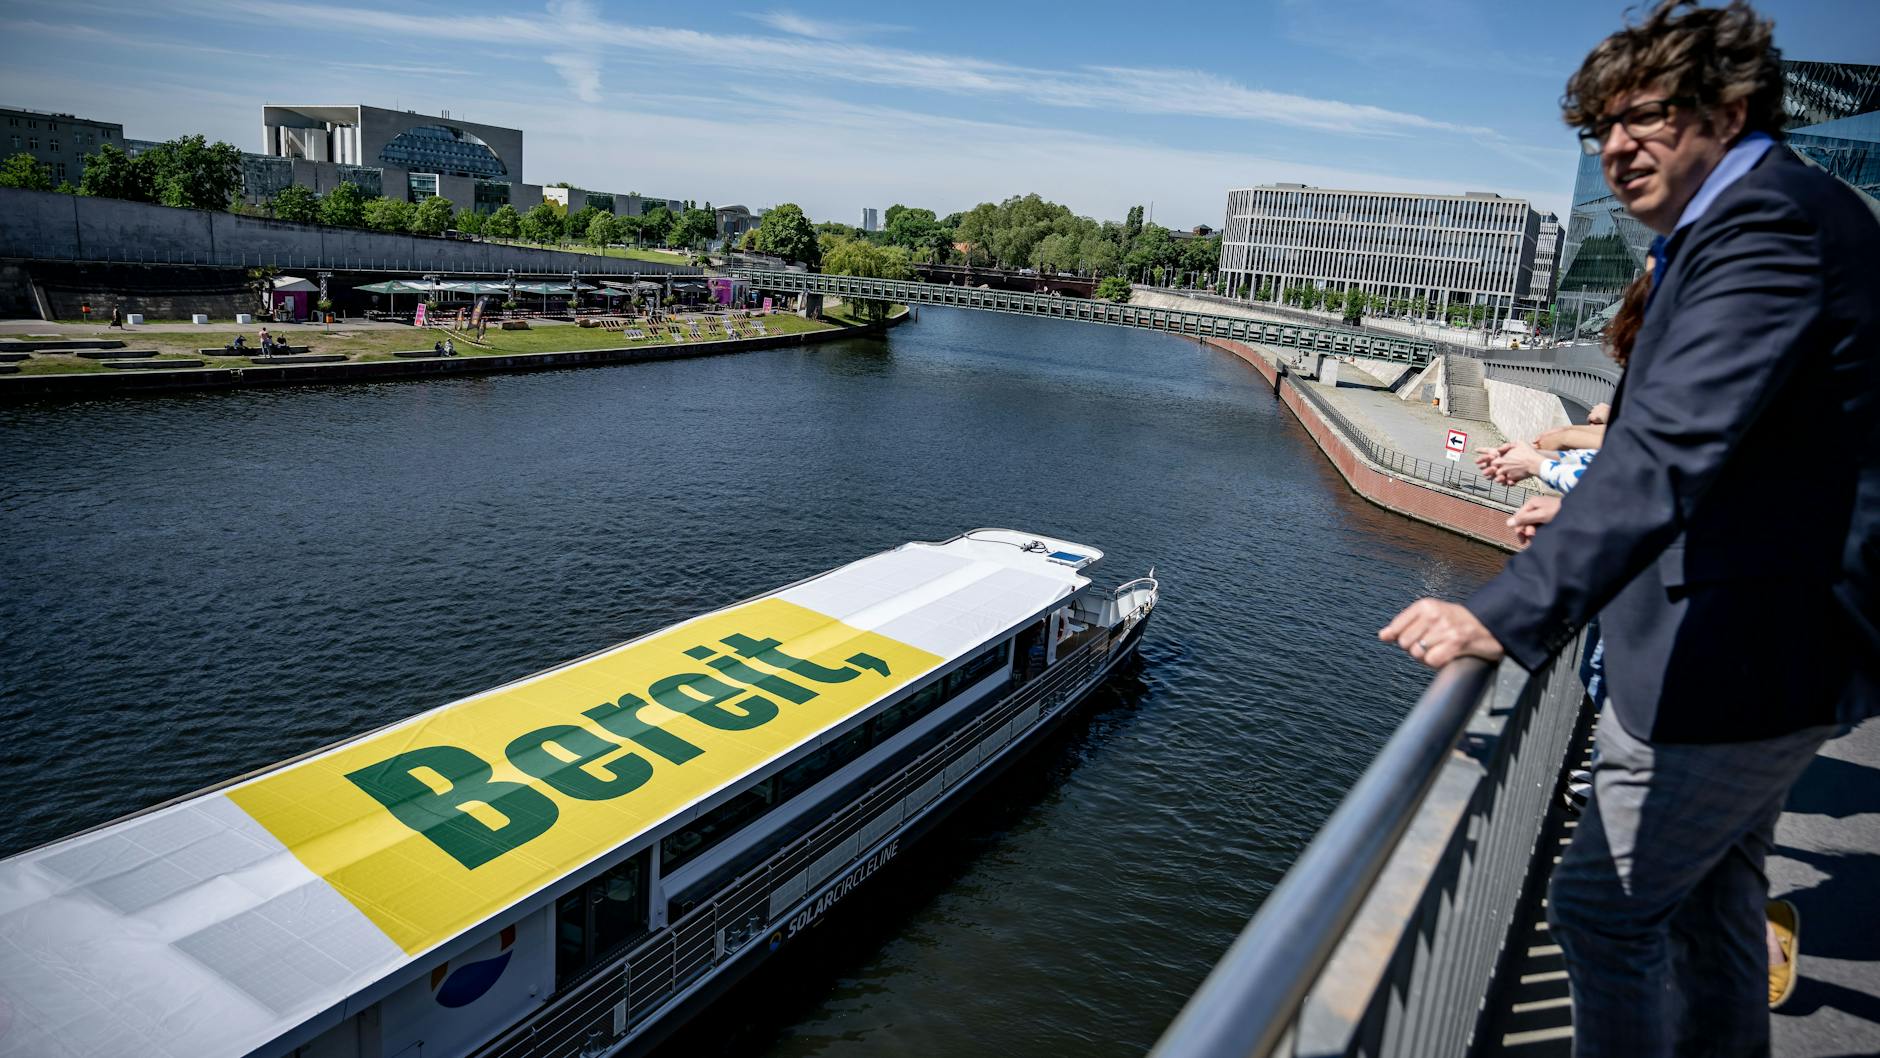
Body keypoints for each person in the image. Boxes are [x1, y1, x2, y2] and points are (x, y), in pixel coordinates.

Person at [1379, 2, 1878, 1054]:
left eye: (1642, 117)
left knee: (1601, 915)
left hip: (1734, 663)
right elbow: (1726, 446)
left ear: (1727, 108)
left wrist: (1501, 612)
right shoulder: (1764, 221)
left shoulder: (1769, 225)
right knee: (1710, 912)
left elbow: (1666, 447)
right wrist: (1574, 508)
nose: (1612, 148)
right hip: (1765, 653)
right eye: (1595, 131)